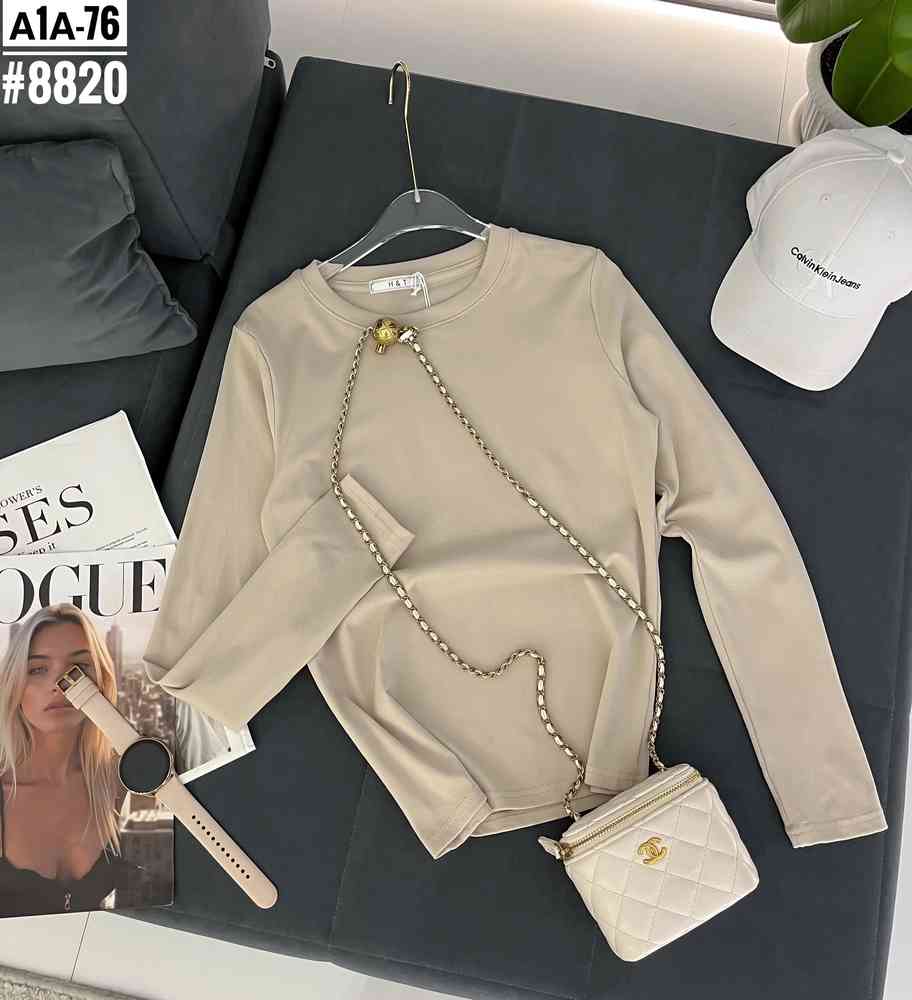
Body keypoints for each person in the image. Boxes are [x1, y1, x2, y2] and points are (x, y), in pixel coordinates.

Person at [0, 603, 139, 916]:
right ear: (15, 684)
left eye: (79, 668)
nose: (59, 684)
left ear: (100, 680)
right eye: (38, 669)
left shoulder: (121, 784)